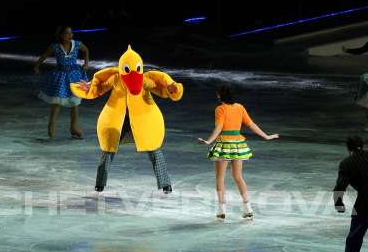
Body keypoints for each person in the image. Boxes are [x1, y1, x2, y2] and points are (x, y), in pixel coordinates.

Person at [71, 45, 183, 193]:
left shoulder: (143, 80)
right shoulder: (116, 78)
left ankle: (165, 184)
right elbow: (102, 85)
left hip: (142, 121)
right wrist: (90, 86)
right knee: (108, 149)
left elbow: (158, 84)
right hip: (119, 121)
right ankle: (100, 184)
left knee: (154, 149)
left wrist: (170, 88)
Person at [198, 84, 279, 220]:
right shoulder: (240, 107)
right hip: (238, 145)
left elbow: (219, 127)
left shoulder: (220, 108)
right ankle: (248, 209)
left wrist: (209, 141)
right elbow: (251, 124)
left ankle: (221, 211)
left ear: (219, 95)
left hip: (224, 144)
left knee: (220, 178)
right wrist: (266, 136)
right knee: (238, 176)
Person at [34, 26, 90, 139]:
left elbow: (86, 50)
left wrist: (86, 63)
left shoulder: (77, 44)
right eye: (67, 34)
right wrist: (37, 66)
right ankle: (51, 125)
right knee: (57, 101)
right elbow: (44, 56)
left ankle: (74, 127)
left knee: (75, 102)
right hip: (61, 76)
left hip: (74, 76)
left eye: (71, 33)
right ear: (61, 35)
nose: (71, 36)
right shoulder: (55, 47)